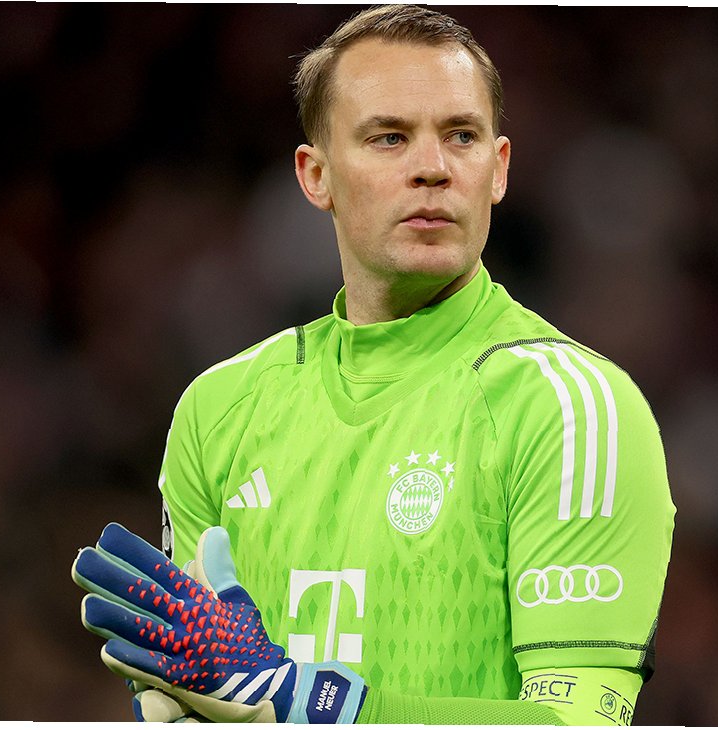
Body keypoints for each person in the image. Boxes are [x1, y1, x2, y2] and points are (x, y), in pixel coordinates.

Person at [72, 5, 674, 725]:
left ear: (498, 169)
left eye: (462, 136)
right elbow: (210, 695)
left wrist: (308, 703)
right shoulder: (221, 409)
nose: (433, 169)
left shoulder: (573, 411)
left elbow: (578, 723)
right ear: (316, 175)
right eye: (389, 138)